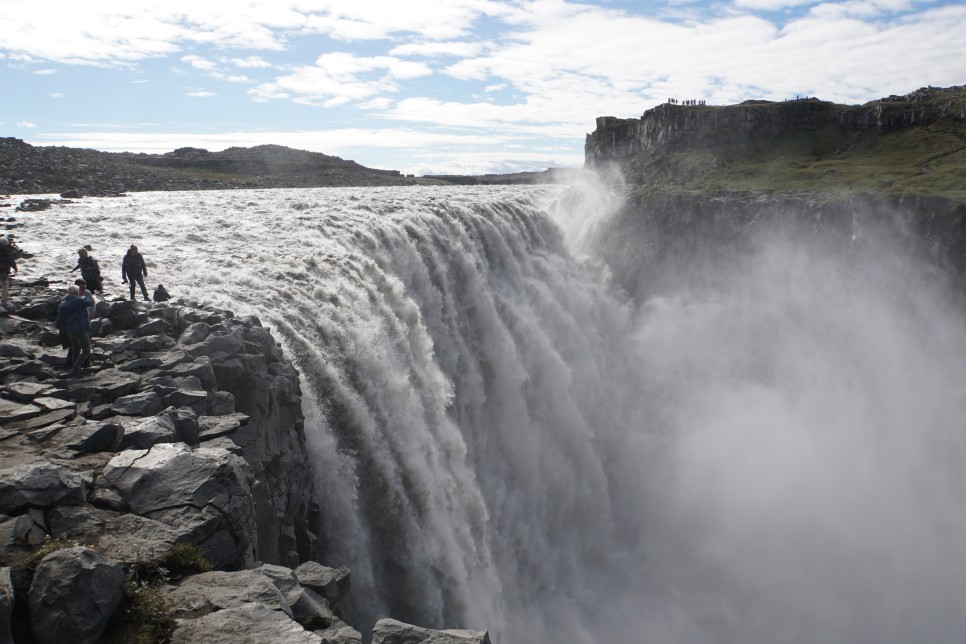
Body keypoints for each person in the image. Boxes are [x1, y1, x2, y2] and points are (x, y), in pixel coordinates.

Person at [56, 285, 92, 377]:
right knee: (86, 350)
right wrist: (84, 296)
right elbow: (90, 302)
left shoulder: (64, 301)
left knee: (76, 350)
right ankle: (76, 369)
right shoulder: (77, 300)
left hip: (69, 329)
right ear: (77, 292)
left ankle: (74, 368)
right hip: (80, 328)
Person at [65, 278, 96, 368]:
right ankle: (74, 367)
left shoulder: (86, 293)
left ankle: (84, 364)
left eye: (84, 287)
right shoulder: (72, 298)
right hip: (78, 326)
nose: (82, 290)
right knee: (81, 348)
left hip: (83, 323)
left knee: (79, 346)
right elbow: (89, 302)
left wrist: (92, 313)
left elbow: (92, 304)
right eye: (81, 288)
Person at [0, 237, 17, 308]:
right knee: (5, 284)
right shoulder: (8, 251)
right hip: (4, 271)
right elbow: (12, 261)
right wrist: (15, 268)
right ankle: (4, 299)